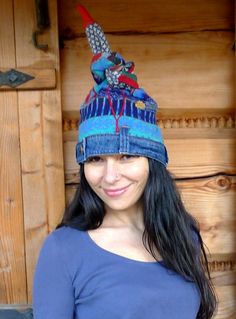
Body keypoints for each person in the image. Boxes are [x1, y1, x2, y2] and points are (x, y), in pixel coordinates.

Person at [33, 4, 217, 319]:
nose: (110, 175)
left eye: (127, 155)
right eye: (95, 159)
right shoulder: (63, 250)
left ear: (153, 160)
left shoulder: (183, 234)